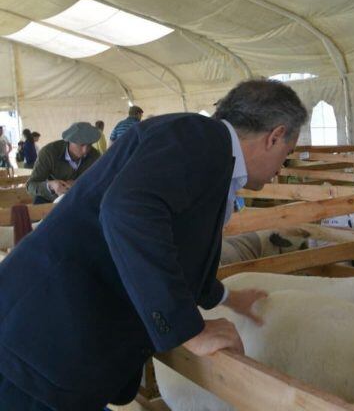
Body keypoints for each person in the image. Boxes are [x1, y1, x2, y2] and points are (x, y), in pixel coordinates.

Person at [0, 79, 308, 410]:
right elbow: (127, 211)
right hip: (43, 346)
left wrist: (226, 297)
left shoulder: (206, 149)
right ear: (274, 136)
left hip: (52, 341)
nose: (280, 170)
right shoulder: (200, 138)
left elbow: (171, 241)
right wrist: (190, 332)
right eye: (286, 155)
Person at [25, 122, 102, 204]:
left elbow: (100, 183)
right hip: (51, 202)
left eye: (89, 145)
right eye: (81, 145)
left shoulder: (95, 156)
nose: (85, 150)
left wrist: (80, 184)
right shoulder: (49, 153)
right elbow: (30, 185)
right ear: (70, 141)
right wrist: (50, 185)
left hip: (80, 202)